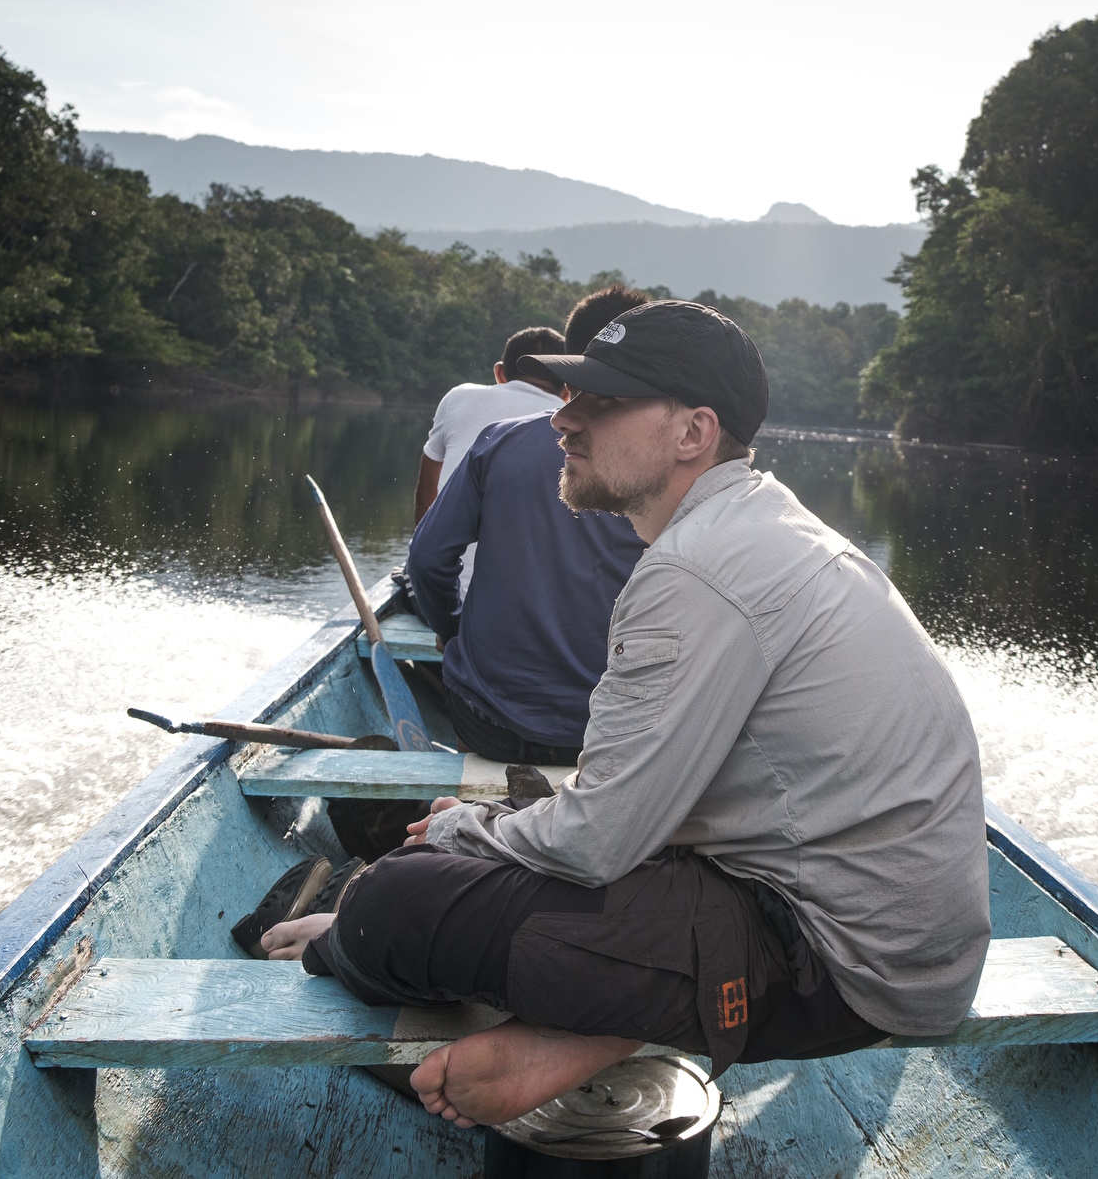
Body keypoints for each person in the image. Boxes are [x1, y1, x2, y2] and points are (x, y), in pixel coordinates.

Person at [262, 300, 990, 1130]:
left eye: (601, 402)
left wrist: (468, 832)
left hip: (844, 966)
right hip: (889, 937)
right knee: (493, 844)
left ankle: (397, 949)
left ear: (693, 433)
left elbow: (599, 839)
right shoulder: (760, 525)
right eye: (572, 396)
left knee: (396, 902)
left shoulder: (694, 571)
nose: (564, 420)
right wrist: (503, 819)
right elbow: (634, 812)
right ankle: (593, 1030)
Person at [402, 288, 652, 767]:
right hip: (608, 735)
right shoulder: (671, 470)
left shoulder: (501, 441)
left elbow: (427, 558)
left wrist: (452, 632)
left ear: (568, 360)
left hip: (488, 724)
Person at [416, 325, 564, 598]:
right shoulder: (572, 424)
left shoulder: (458, 397)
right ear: (567, 390)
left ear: (499, 373)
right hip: (521, 608)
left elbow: (428, 490)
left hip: (447, 593)